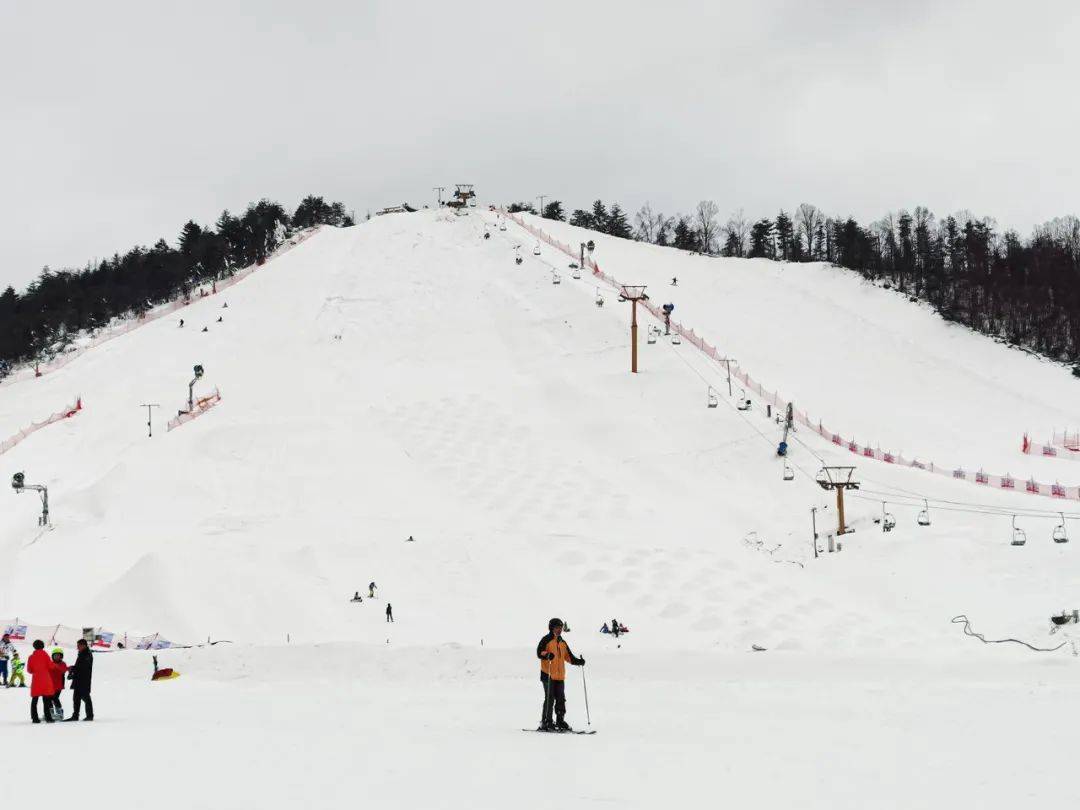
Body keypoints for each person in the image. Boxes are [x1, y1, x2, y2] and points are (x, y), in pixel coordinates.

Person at [536, 617, 584, 732]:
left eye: (561, 628)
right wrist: (547, 655)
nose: (559, 630)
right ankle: (546, 721)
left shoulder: (562, 642)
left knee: (561, 699)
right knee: (550, 698)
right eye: (557, 628)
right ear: (551, 628)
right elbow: (539, 652)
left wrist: (578, 662)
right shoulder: (546, 640)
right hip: (548, 674)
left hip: (560, 675)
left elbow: (569, 657)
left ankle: (560, 720)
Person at [27, 640, 56, 723]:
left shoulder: (31, 657)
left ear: (34, 646)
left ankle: (34, 718)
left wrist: (36, 671)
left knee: (34, 700)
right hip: (46, 680)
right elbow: (51, 666)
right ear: (43, 646)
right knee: (46, 700)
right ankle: (48, 717)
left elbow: (29, 670)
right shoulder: (45, 655)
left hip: (36, 680)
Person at [66, 639, 93, 721]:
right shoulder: (82, 654)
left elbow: (83, 668)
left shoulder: (87, 654)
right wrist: (73, 671)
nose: (77, 647)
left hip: (83, 680)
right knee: (76, 698)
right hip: (79, 680)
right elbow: (79, 667)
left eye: (79, 645)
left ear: (83, 645)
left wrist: (73, 669)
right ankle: (75, 715)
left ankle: (89, 716)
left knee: (86, 698)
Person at [48, 647, 68, 720]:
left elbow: (63, 670)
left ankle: (59, 713)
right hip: (51, 685)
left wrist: (55, 666)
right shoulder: (50, 663)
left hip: (59, 686)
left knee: (55, 698)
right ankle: (50, 713)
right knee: (49, 699)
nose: (56, 657)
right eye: (55, 655)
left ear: (61, 656)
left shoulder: (62, 664)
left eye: (58, 655)